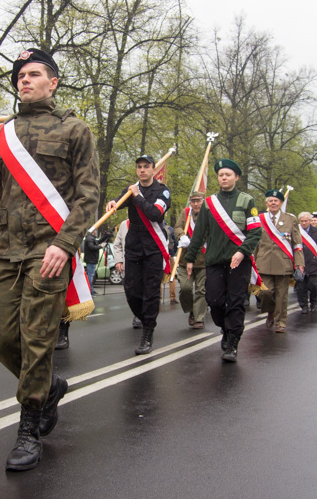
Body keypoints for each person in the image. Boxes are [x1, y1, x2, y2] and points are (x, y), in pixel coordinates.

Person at [0, 48, 99, 471]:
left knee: (37, 339)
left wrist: (64, 244)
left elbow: (88, 195)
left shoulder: (75, 130)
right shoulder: (0, 136)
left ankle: (28, 428)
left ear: (54, 82)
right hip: (5, 252)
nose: (24, 81)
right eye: (20, 76)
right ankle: (49, 387)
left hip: (48, 252)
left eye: (33, 74)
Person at [183, 159, 261, 362]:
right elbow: (199, 234)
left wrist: (242, 252)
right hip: (215, 261)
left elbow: (255, 232)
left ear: (236, 177)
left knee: (235, 303)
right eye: (221, 175)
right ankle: (225, 328)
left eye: (228, 174)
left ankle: (232, 342)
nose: (224, 178)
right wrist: (189, 258)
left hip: (239, 262)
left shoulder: (247, 201)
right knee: (214, 301)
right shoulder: (209, 203)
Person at [106, 154, 171, 355]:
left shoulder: (162, 191)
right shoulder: (131, 189)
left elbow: (155, 214)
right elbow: (119, 201)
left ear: (153, 169)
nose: (142, 170)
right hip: (133, 246)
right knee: (132, 290)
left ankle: (148, 331)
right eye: (139, 167)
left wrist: (138, 196)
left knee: (151, 292)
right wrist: (113, 202)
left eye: (146, 166)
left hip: (153, 248)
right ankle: (144, 317)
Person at [254, 189, 304, 333]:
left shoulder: (290, 219)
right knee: (265, 293)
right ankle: (270, 310)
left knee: (282, 295)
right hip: (263, 262)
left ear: (281, 203)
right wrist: (252, 262)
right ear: (266, 203)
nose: (273, 203)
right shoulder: (260, 218)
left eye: (276, 201)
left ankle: (281, 322)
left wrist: (299, 263)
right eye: (271, 200)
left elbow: (297, 242)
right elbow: (255, 242)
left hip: (283, 262)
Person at [177, 191, 208, 329]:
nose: (196, 204)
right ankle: (191, 310)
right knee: (185, 288)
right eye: (193, 201)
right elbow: (177, 227)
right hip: (185, 258)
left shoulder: (208, 213)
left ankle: (199, 317)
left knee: (201, 290)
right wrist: (182, 236)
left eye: (198, 201)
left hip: (203, 259)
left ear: (203, 201)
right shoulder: (186, 212)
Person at [295, 211, 317, 312]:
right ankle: (304, 305)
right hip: (300, 262)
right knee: (301, 286)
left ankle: (314, 302)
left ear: (309, 221)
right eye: (301, 221)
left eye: (305, 221)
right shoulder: (296, 231)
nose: (303, 223)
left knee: (312, 285)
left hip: (313, 263)